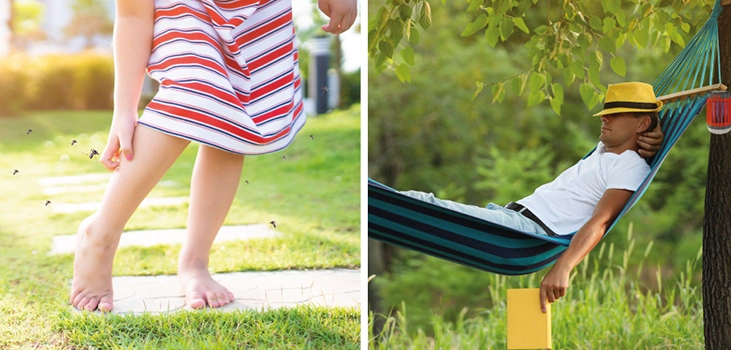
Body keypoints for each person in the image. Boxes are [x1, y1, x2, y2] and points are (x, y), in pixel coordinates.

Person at [70, 0, 358, 312]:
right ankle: (99, 236)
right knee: (192, 86)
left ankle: (195, 261)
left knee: (238, 115)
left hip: (259, 10)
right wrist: (124, 109)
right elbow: (132, 12)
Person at [401, 82, 665, 313]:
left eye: (614, 115)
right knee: (418, 207)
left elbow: (601, 221)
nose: (604, 120)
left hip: (525, 234)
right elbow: (646, 128)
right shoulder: (603, 151)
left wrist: (564, 268)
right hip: (510, 216)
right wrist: (655, 132)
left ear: (641, 123)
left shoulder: (629, 165)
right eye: (605, 115)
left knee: (422, 204)